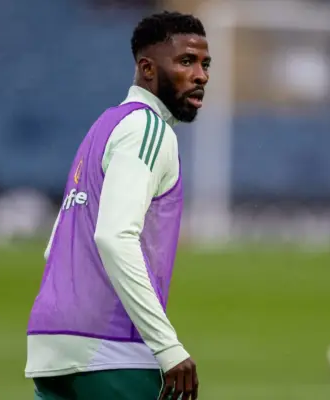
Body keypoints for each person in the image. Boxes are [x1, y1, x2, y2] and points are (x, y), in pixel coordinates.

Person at [25, 11, 210, 400]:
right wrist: (167, 347)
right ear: (147, 68)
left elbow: (55, 244)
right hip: (110, 348)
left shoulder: (103, 129)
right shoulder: (148, 129)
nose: (201, 76)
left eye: (204, 64)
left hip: (50, 345)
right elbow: (114, 236)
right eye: (186, 61)